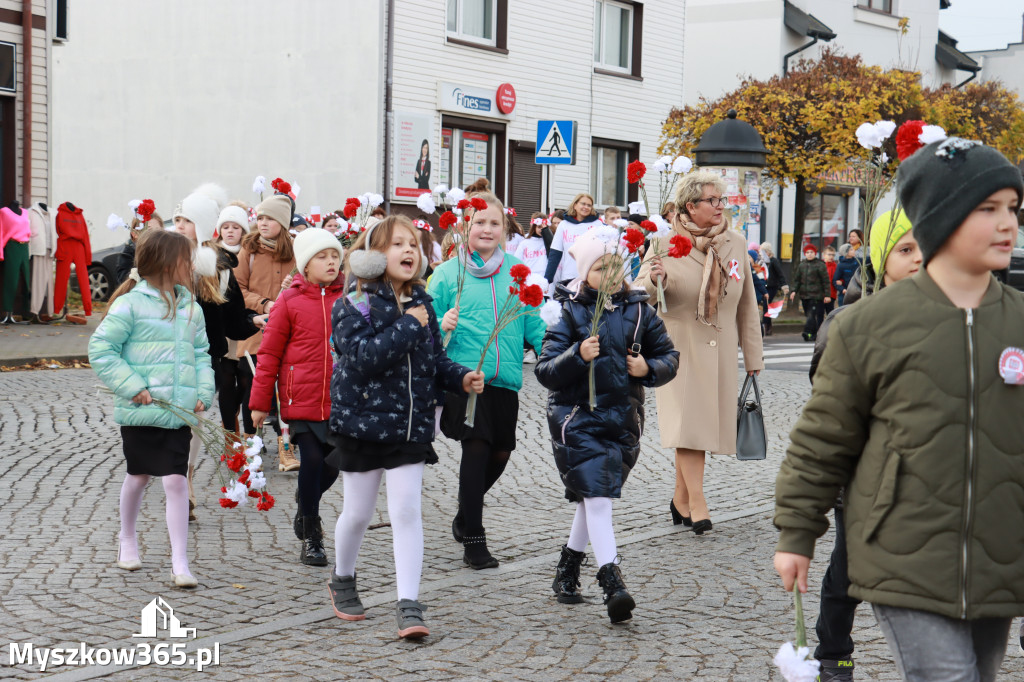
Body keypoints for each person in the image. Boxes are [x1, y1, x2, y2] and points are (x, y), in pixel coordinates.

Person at [774, 138, 1024, 682]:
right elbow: (823, 436)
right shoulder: (868, 325)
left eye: (1012, 208)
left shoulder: (1020, 321)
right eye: (988, 209)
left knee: (979, 674)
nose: (1008, 224)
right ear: (941, 218)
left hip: (1000, 559)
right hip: (900, 549)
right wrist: (797, 532)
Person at [327, 216, 484, 639]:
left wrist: (460, 377)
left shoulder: (423, 303)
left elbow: (434, 361)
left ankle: (408, 603)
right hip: (362, 426)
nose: (409, 251)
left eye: (413, 243)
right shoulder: (352, 304)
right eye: (398, 244)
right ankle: (343, 577)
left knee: (406, 511)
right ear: (374, 255)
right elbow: (362, 358)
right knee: (358, 513)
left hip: (410, 429)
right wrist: (409, 324)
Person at [536, 228, 678, 623]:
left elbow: (669, 355)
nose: (612, 272)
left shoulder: (639, 311)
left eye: (617, 264)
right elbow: (547, 371)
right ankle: (612, 581)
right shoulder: (569, 312)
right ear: (584, 272)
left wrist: (648, 367)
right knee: (598, 499)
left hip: (623, 420)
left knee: (591, 497)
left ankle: (567, 570)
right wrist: (578, 355)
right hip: (578, 418)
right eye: (601, 266)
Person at [806, 208, 920, 682]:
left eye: (927, 248)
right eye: (906, 249)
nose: (919, 259)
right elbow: (828, 408)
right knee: (849, 568)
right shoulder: (846, 322)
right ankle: (834, 653)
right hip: (864, 473)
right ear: (880, 256)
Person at [636, 170, 763, 534]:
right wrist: (654, 278)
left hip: (721, 349)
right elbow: (640, 290)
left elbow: (747, 304)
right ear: (690, 206)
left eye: (722, 200)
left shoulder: (734, 244)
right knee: (690, 427)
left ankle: (680, 497)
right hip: (678, 348)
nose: (720, 207)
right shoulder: (663, 243)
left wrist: (753, 357)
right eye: (712, 201)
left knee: (700, 427)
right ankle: (698, 501)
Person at [88, 229, 214, 589]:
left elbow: (202, 354)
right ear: (165, 263)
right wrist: (133, 387)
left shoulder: (191, 307)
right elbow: (101, 350)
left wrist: (203, 390)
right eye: (185, 259)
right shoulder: (130, 305)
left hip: (178, 412)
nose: (191, 266)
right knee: (139, 476)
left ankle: (180, 562)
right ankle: (127, 537)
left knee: (176, 480)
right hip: (142, 411)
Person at [428, 192, 547, 568]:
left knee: (500, 452)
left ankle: (465, 514)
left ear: (505, 230)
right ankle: (474, 540)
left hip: (505, 377)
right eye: (479, 222)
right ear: (465, 226)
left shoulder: (517, 270)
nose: (486, 228)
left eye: (494, 223)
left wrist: (553, 352)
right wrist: (441, 323)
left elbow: (532, 321)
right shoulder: (448, 273)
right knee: (476, 447)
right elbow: (425, 325)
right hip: (464, 377)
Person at [250, 229, 344, 566]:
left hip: (339, 400)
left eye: (334, 255)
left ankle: (305, 506)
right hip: (300, 399)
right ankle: (313, 535)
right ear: (305, 265)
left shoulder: (349, 298)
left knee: (334, 465)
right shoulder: (289, 300)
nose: (331, 261)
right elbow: (270, 354)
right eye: (322, 256)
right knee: (314, 461)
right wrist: (261, 403)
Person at [175, 186, 258, 522]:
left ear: (204, 225)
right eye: (177, 218)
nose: (179, 225)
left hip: (202, 357)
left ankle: (186, 479)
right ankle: (171, 475)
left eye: (187, 220)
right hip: (165, 354)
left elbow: (235, 320)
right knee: (168, 422)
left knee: (193, 422)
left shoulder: (218, 267)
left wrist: (259, 319)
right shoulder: (162, 256)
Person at [233, 193, 297, 469]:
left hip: (290, 335)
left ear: (282, 223)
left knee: (287, 392)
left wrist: (293, 286)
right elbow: (237, 291)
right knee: (252, 389)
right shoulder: (248, 250)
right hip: (255, 332)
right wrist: (265, 304)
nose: (262, 223)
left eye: (269, 218)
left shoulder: (297, 250)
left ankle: (287, 448)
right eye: (259, 217)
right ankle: (251, 446)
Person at [544, 194, 600, 287]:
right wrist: (547, 279)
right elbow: (555, 253)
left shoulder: (597, 225)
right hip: (569, 276)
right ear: (575, 205)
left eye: (589, 205)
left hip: (590, 277)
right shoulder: (564, 225)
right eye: (583, 204)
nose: (586, 207)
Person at [789, 245, 831, 342]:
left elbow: (825, 281)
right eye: (807, 252)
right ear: (805, 254)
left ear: (815, 253)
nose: (809, 254)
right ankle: (813, 334)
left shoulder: (820, 265)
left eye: (811, 252)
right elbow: (797, 280)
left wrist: (827, 295)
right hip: (804, 295)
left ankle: (807, 331)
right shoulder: (802, 265)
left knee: (812, 315)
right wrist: (794, 291)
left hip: (816, 296)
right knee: (809, 315)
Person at [116, 212, 164, 285]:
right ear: (134, 234)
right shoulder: (128, 256)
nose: (154, 235)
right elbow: (125, 282)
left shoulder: (166, 252)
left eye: (158, 231)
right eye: (149, 230)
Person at [760, 241, 788, 336]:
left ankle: (766, 325)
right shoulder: (762, 262)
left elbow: (780, 274)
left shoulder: (774, 261)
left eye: (764, 252)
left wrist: (784, 286)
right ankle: (768, 325)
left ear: (768, 252)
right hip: (764, 286)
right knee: (766, 306)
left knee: (766, 306)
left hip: (772, 286)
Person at [749, 249, 770, 335]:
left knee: (755, 316)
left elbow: (759, 282)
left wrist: (764, 292)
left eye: (749, 257)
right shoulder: (745, 267)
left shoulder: (757, 270)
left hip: (756, 297)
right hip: (747, 297)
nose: (747, 258)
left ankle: (759, 332)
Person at [822, 245, 838, 315]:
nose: (831, 257)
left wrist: (841, 281)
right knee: (819, 314)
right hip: (820, 294)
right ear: (824, 255)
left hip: (832, 293)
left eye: (833, 255)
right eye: (829, 254)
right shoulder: (820, 266)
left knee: (830, 313)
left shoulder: (836, 266)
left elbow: (839, 277)